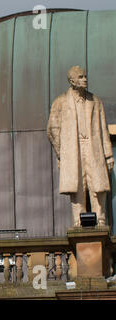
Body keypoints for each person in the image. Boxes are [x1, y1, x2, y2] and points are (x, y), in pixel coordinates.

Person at [47, 66, 114, 227]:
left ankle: (101, 218)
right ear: (72, 81)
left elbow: (103, 128)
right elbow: (52, 129)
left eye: (85, 76)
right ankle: (78, 219)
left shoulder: (95, 101)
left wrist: (108, 154)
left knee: (97, 184)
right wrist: (62, 152)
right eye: (81, 77)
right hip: (73, 149)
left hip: (93, 147)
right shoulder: (61, 102)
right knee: (77, 184)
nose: (85, 79)